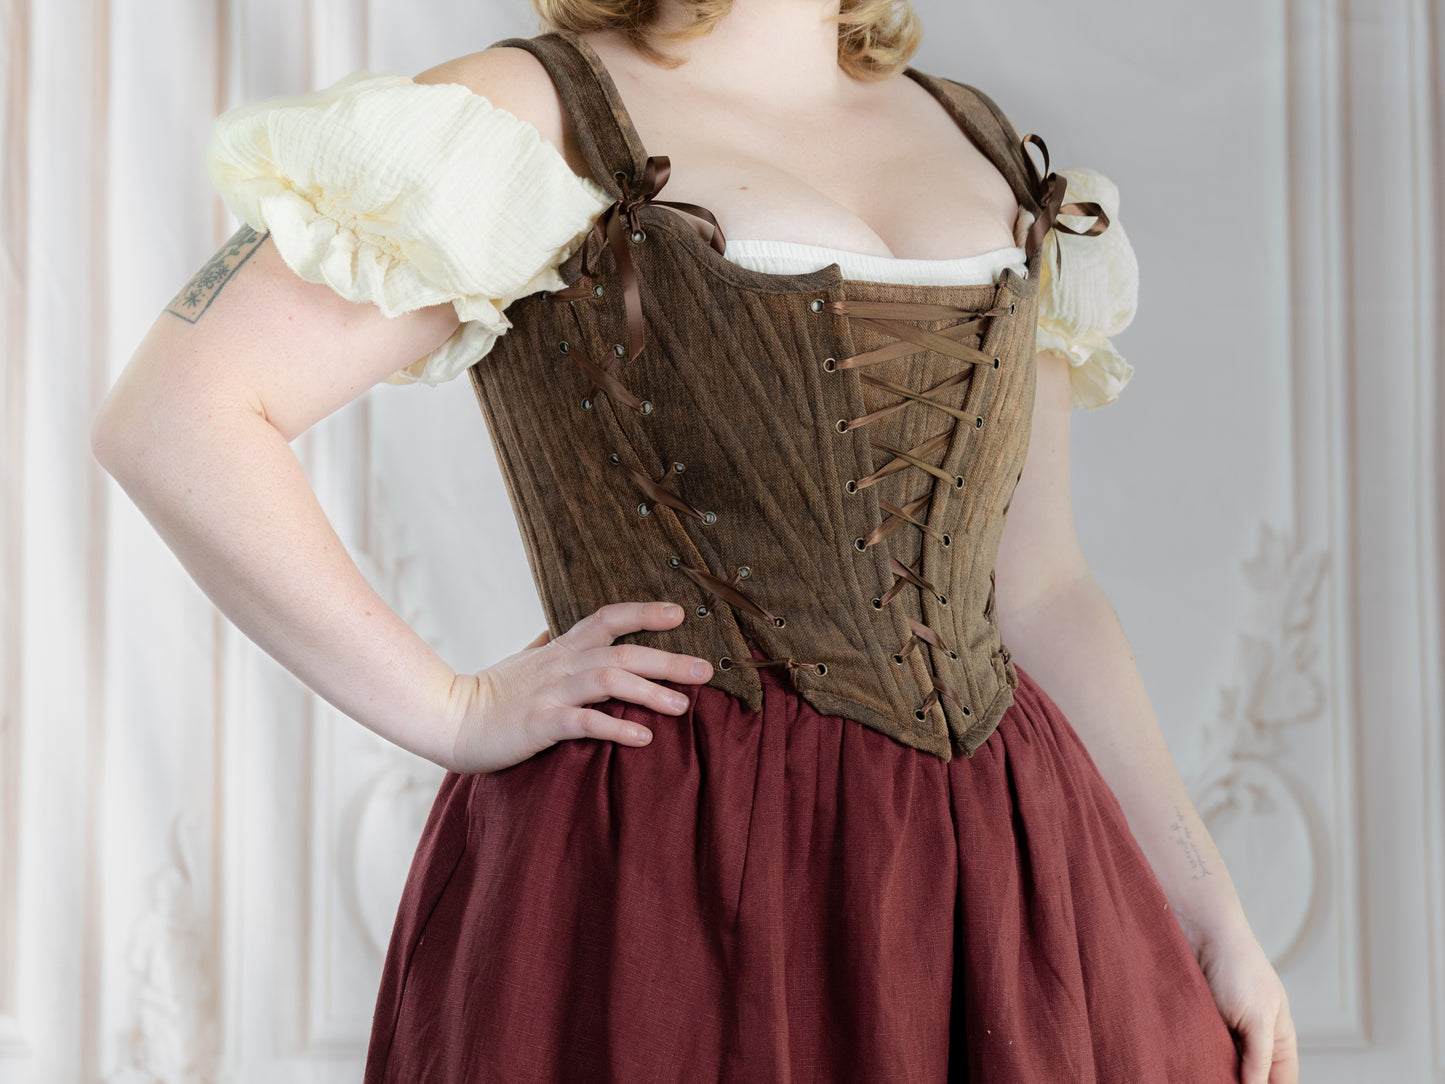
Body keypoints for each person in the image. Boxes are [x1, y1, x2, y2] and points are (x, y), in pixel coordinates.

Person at [90, 1, 1299, 1081]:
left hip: (1000, 870)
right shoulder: (522, 115)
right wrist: (450, 710)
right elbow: (176, 415)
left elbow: (1040, 586)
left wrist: (1205, 903)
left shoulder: (982, 141)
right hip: (669, 864)